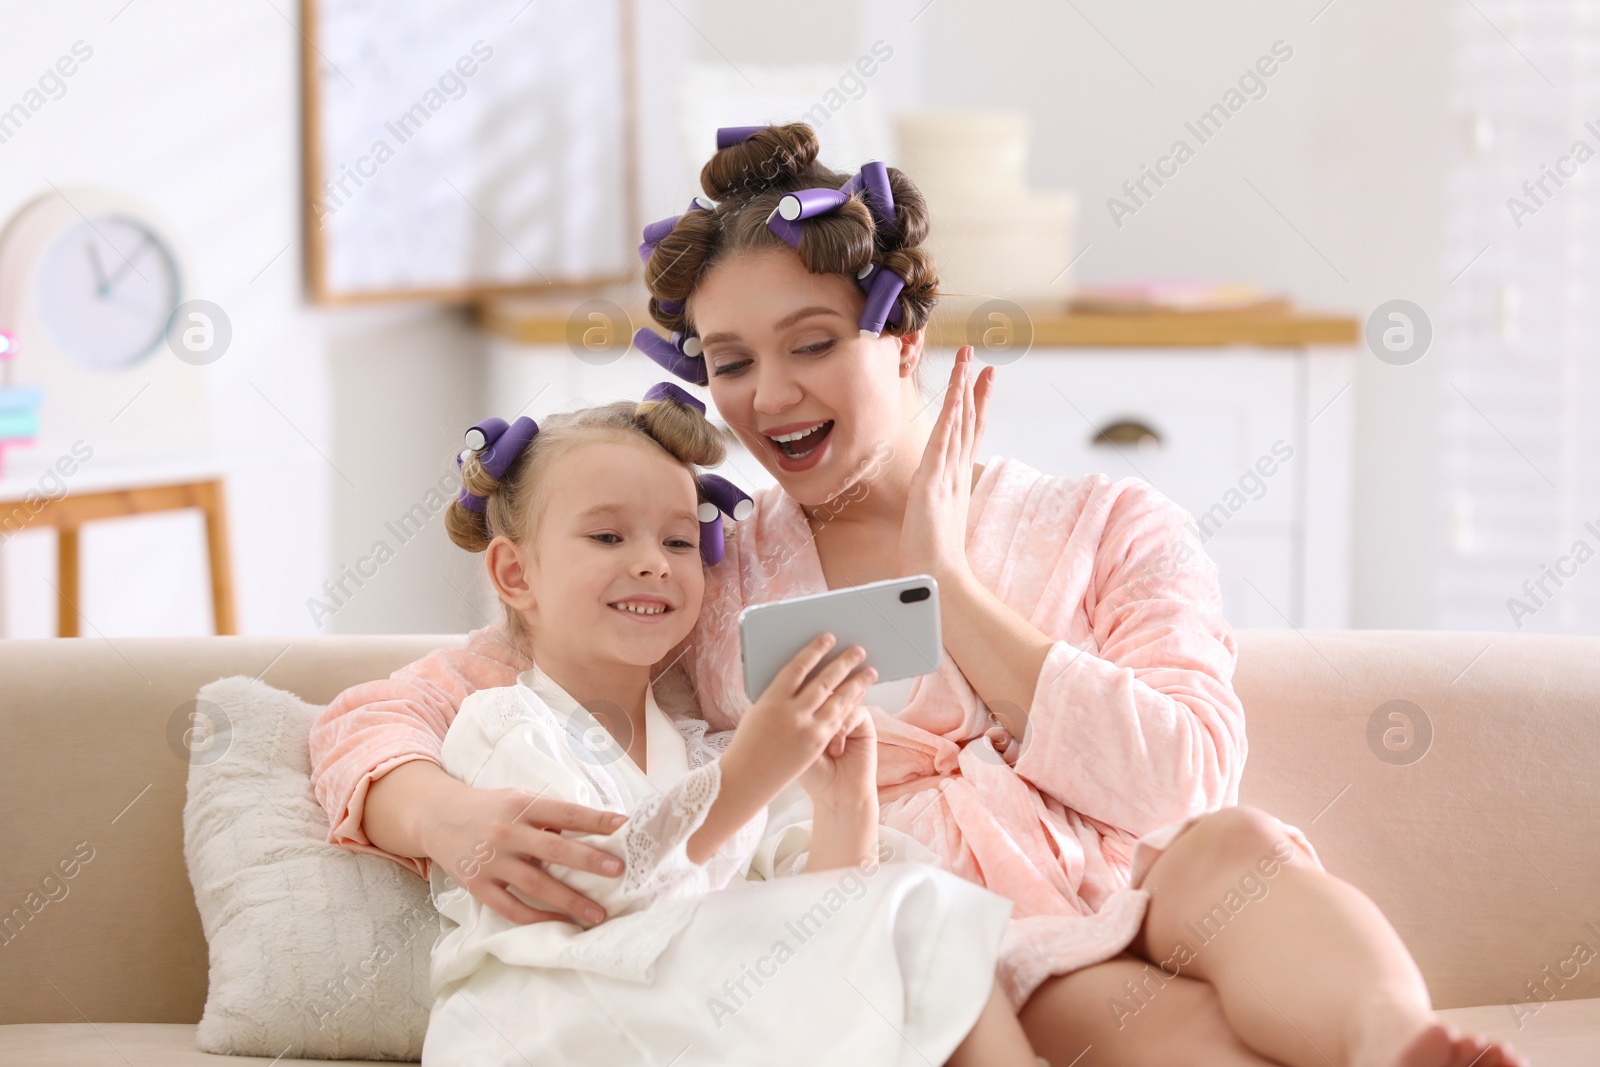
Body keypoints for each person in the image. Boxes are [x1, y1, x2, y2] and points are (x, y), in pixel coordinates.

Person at [311, 122, 1527, 1067]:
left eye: (812, 341)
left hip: (1139, 879)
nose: (769, 393)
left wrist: (947, 585)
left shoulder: (1111, 528)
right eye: (730, 361)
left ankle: (1396, 1045)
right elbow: (386, 711)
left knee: (1239, 845)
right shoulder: (699, 576)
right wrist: (445, 819)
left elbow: (1182, 776)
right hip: (962, 945)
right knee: (1132, 1014)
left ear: (901, 338)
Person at [415, 387, 1034, 1065]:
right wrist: (748, 776)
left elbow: (826, 908)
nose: (653, 560)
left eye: (678, 540)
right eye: (607, 535)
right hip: (548, 1019)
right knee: (928, 914)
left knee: (921, 913)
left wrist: (842, 801)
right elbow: (588, 886)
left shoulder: (701, 747)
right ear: (514, 572)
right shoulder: (503, 724)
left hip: (676, 1011)